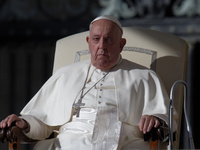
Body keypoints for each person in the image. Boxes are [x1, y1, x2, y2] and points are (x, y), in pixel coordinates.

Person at [0, 15, 176, 149]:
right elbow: (42, 121)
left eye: (108, 40)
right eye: (96, 39)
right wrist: (25, 123)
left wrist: (156, 119)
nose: (102, 46)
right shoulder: (65, 75)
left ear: (121, 45)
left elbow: (165, 117)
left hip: (124, 144)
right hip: (70, 144)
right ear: (88, 42)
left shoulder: (144, 76)